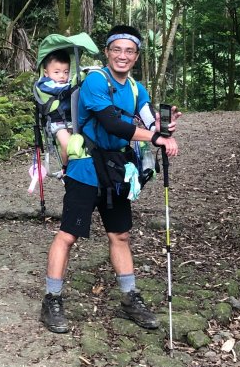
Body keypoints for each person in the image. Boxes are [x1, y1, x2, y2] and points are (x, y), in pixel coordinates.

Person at [41, 25, 180, 334]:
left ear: (137, 56)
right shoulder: (95, 81)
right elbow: (113, 124)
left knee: (120, 235)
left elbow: (146, 119)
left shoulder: (135, 88)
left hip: (117, 171)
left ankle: (130, 298)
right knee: (68, 235)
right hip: (86, 168)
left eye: (129, 51)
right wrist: (154, 137)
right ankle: (51, 300)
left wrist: (163, 127)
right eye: (117, 49)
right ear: (107, 52)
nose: (123, 56)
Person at [34, 49, 75, 166]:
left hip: (75, 121)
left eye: (66, 72)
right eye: (57, 72)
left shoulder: (69, 83)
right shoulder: (45, 84)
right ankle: (66, 168)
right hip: (58, 123)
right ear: (46, 73)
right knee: (67, 145)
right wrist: (74, 85)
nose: (62, 76)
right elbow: (59, 89)